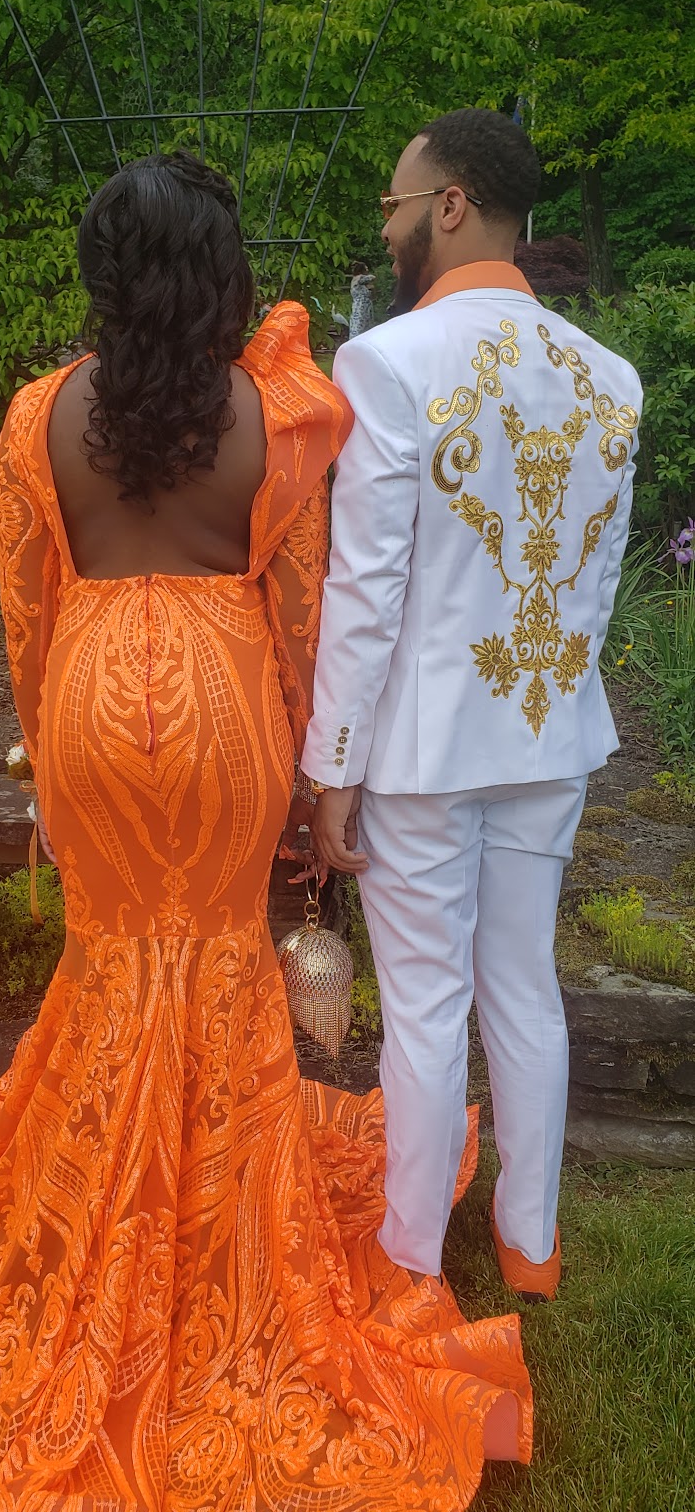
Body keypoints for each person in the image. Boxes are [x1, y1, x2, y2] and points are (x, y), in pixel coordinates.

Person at [0, 151, 531, 1510]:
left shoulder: (36, 416)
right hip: (221, 711)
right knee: (216, 954)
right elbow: (302, 611)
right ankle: (216, 1215)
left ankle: (93, 1188)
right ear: (219, 274)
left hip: (89, 703)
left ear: (103, 270)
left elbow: (26, 607)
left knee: (111, 956)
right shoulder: (273, 416)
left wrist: (49, 757)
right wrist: (315, 778)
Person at [303, 108, 643, 1303]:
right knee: (524, 989)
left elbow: (366, 587)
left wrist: (332, 761)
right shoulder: (609, 377)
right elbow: (595, 581)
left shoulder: (388, 361)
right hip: (549, 729)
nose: (385, 229)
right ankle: (528, 1244)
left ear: (447, 206)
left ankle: (408, 1256)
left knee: (426, 1007)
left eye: (393, 206)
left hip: (421, 747)